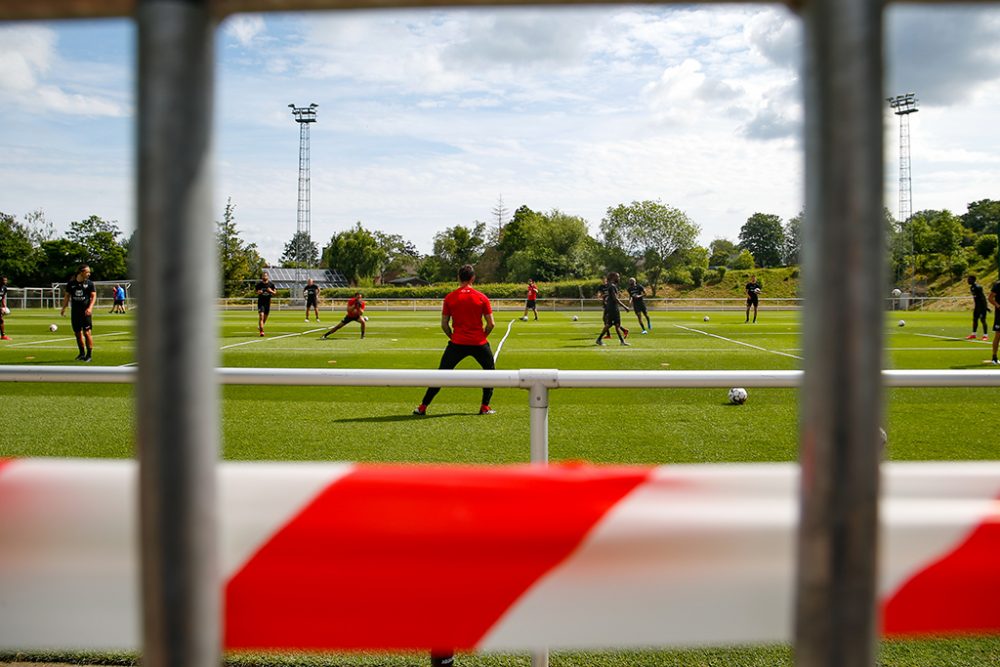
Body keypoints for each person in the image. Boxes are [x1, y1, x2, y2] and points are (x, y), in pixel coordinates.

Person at [413, 264, 497, 416]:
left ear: (458, 278)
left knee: (441, 375)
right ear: (473, 278)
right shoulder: (481, 297)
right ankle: (485, 407)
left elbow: (444, 324)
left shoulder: (450, 297)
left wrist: (453, 337)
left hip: (457, 343)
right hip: (479, 343)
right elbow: (491, 324)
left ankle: (423, 407)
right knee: (490, 373)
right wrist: (482, 336)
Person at [60, 264, 96, 361]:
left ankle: (89, 356)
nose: (89, 274)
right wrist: (63, 308)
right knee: (77, 334)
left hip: (86, 313)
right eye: (87, 272)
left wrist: (90, 308)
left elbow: (93, 296)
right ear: (81, 272)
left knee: (87, 333)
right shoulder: (71, 284)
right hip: (75, 312)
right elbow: (67, 296)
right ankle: (81, 354)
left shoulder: (89, 284)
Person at [595, 271, 630, 346]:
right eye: (617, 276)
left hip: (611, 307)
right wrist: (625, 307)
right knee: (612, 324)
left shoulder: (610, 285)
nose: (619, 278)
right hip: (613, 308)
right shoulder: (612, 286)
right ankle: (599, 339)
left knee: (614, 324)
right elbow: (615, 299)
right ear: (613, 277)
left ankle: (621, 341)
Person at [967, 275, 989, 340]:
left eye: (969, 279)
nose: (968, 281)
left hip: (982, 307)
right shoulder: (971, 287)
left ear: (973, 280)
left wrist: (986, 307)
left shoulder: (978, 287)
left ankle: (985, 335)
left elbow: (983, 298)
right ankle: (973, 334)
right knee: (975, 320)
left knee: (983, 320)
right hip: (977, 307)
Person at [255, 271, 277, 336]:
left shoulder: (271, 284)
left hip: (268, 303)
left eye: (265, 275)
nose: (264, 277)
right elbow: (256, 292)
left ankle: (260, 327)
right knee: (261, 316)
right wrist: (259, 292)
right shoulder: (259, 284)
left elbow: (275, 293)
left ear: (268, 276)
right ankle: (262, 331)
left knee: (265, 318)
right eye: (263, 276)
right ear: (262, 277)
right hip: (261, 302)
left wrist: (271, 291)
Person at [990, 280, 1000, 365]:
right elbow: (990, 298)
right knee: (998, 335)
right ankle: (994, 357)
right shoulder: (998, 284)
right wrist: (998, 306)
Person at [0, 275, 10, 341]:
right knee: (1, 321)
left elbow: (3, 297)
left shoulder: (4, 288)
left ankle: (3, 335)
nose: (5, 281)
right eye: (4, 280)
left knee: (1, 320)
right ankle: (3, 335)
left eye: (6, 280)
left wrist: (4, 306)